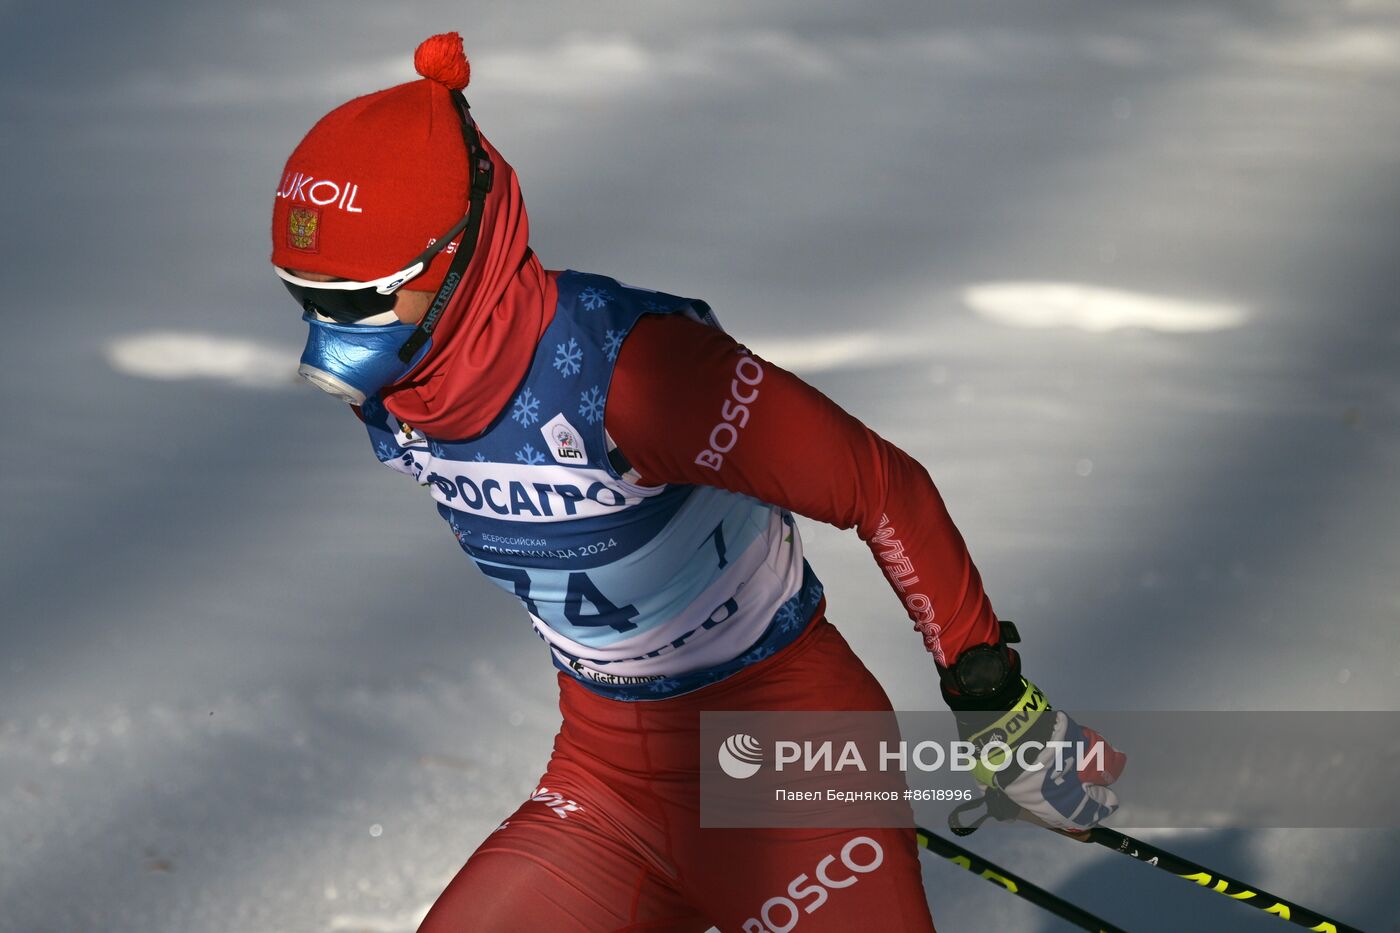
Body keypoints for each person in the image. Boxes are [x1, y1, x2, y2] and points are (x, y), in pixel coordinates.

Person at [271, 32, 1123, 933]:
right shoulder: (406, 387)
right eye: (303, 297)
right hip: (606, 785)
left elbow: (881, 486)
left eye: (357, 303)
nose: (330, 341)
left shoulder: (638, 377)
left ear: (454, 262)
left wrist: (994, 699)